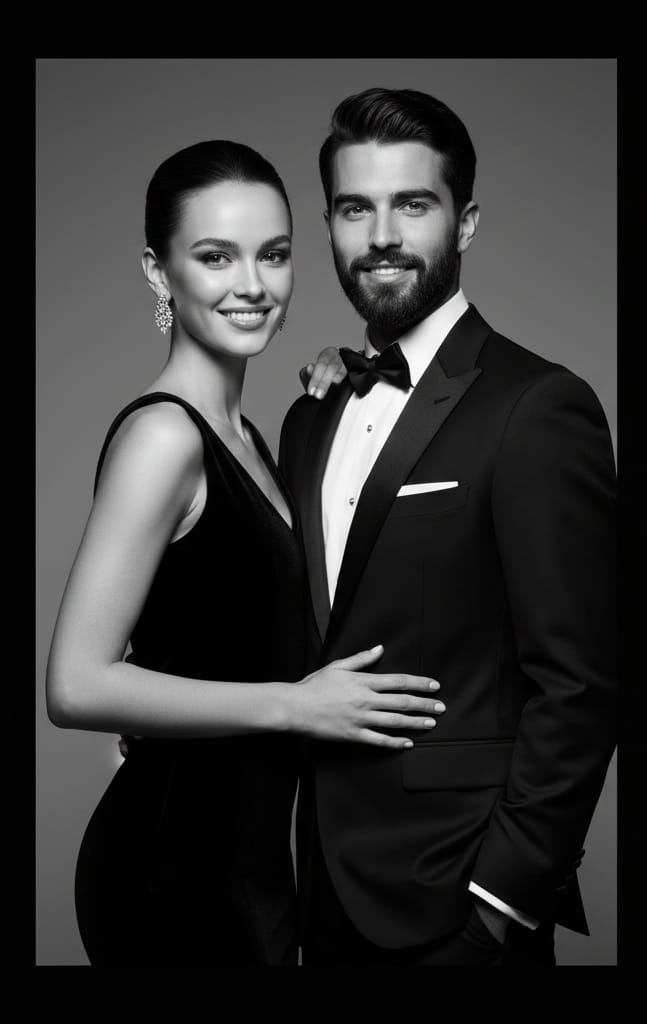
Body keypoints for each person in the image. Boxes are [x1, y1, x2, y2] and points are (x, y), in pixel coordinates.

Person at [45, 139, 446, 967]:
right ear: (159, 273)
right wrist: (295, 704)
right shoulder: (163, 435)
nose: (252, 286)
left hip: (251, 859)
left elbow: (219, 622)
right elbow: (75, 684)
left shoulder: (254, 438)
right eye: (214, 257)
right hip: (175, 868)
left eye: (273, 254)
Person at [279, 87, 617, 966]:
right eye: (356, 207)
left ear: (463, 223)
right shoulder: (309, 415)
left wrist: (498, 906)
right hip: (310, 890)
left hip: (454, 906)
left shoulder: (538, 406)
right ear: (328, 224)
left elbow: (581, 682)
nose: (381, 233)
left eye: (412, 204)